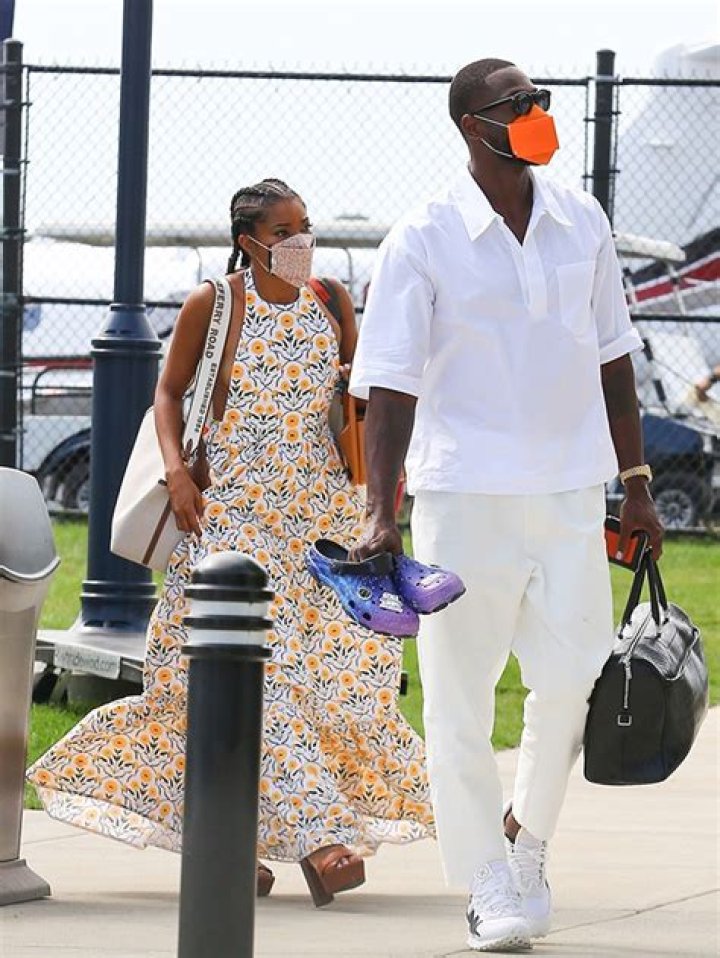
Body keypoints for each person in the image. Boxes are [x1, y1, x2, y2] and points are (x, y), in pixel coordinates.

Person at [28, 178, 433, 907]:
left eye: (307, 224)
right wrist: (179, 474)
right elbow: (168, 392)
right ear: (251, 241)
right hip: (230, 521)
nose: (302, 239)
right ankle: (320, 839)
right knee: (257, 678)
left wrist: (361, 428)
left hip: (319, 525)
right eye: (287, 230)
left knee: (323, 688)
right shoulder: (215, 305)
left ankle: (228, 841)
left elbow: (366, 399)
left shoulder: (333, 302)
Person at [349, 60, 664, 952]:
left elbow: (613, 359)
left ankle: (527, 841)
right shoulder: (425, 236)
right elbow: (390, 386)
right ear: (469, 125)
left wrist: (634, 484)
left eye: (539, 101)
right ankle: (488, 877)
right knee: (458, 698)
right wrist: (383, 510)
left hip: (571, 492)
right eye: (514, 105)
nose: (533, 115)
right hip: (464, 495)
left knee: (575, 680)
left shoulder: (581, 220)